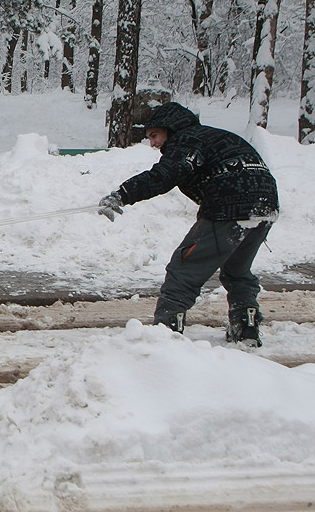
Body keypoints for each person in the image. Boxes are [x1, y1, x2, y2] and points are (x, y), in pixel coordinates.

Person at [97, 102, 279, 346]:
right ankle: (245, 326)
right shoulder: (212, 135)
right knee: (237, 270)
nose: (152, 143)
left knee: (184, 270)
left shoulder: (186, 139)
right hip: (266, 205)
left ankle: (165, 334)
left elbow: (166, 174)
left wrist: (124, 193)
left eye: (154, 135)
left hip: (230, 205)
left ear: (170, 128)